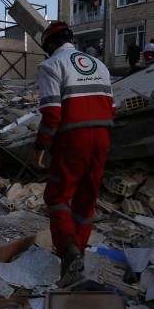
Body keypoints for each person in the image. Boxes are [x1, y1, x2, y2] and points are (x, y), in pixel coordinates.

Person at [30, 21, 114, 286]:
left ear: (49, 45)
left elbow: (53, 113)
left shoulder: (50, 66)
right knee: (87, 198)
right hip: (102, 136)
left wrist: (40, 147)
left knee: (57, 195)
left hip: (72, 137)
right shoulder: (99, 65)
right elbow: (110, 106)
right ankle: (79, 253)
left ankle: (67, 251)